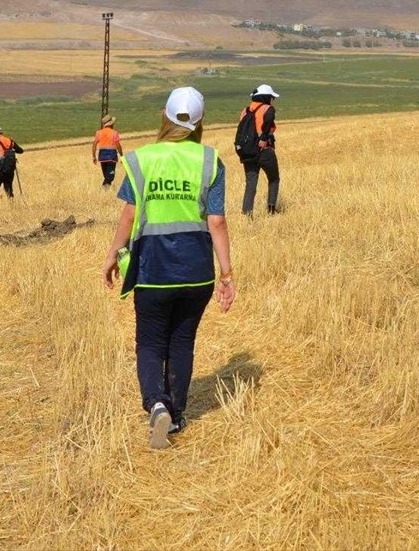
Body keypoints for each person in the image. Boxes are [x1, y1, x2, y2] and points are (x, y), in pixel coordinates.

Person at [102, 86, 236, 450]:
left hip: (152, 270)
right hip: (197, 273)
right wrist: (226, 274)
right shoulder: (210, 161)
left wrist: (113, 253)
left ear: (164, 114)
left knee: (149, 341)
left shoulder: (142, 159)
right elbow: (217, 222)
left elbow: (129, 214)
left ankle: (156, 404)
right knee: (182, 341)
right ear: (200, 122)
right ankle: (175, 415)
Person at [238, 84, 280, 217]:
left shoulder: (245, 111)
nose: (272, 100)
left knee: (251, 184)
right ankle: (271, 211)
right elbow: (268, 120)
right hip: (264, 151)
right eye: (272, 97)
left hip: (247, 152)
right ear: (267, 97)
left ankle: (246, 214)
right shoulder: (268, 109)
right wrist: (264, 137)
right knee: (274, 179)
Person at [0, 126, 23, 201]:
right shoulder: (10, 141)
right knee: (8, 188)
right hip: (9, 169)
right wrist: (11, 150)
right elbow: (21, 150)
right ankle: (12, 204)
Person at [92, 115, 124, 188]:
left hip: (102, 156)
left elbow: (94, 144)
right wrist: (122, 155)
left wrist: (94, 156)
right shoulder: (114, 133)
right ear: (111, 124)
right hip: (111, 156)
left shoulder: (99, 133)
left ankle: (105, 192)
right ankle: (103, 189)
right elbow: (118, 145)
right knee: (110, 176)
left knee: (106, 176)